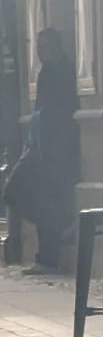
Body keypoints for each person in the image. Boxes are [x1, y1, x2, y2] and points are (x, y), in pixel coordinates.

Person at [6, 29, 79, 272]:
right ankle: (61, 229)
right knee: (19, 192)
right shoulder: (45, 72)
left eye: (46, 46)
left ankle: (48, 255)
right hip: (40, 144)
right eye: (38, 46)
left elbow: (62, 110)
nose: (41, 51)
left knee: (46, 199)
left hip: (56, 146)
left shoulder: (63, 72)